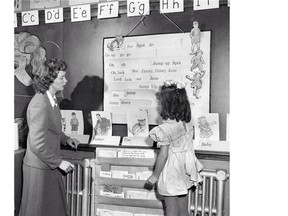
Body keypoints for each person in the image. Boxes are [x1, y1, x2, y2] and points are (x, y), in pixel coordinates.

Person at [18, 59, 80, 216]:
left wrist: (66, 139)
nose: (65, 81)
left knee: (51, 210)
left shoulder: (51, 99)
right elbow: (37, 143)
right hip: (40, 168)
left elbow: (50, 129)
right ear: (49, 80)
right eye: (61, 78)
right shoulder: (40, 103)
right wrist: (59, 162)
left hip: (47, 164)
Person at [146, 80, 203, 216]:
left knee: (171, 209)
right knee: (183, 209)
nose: (158, 106)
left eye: (160, 103)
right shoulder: (187, 122)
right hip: (185, 166)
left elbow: (163, 155)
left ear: (167, 105)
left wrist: (155, 175)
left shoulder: (165, 129)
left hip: (172, 170)